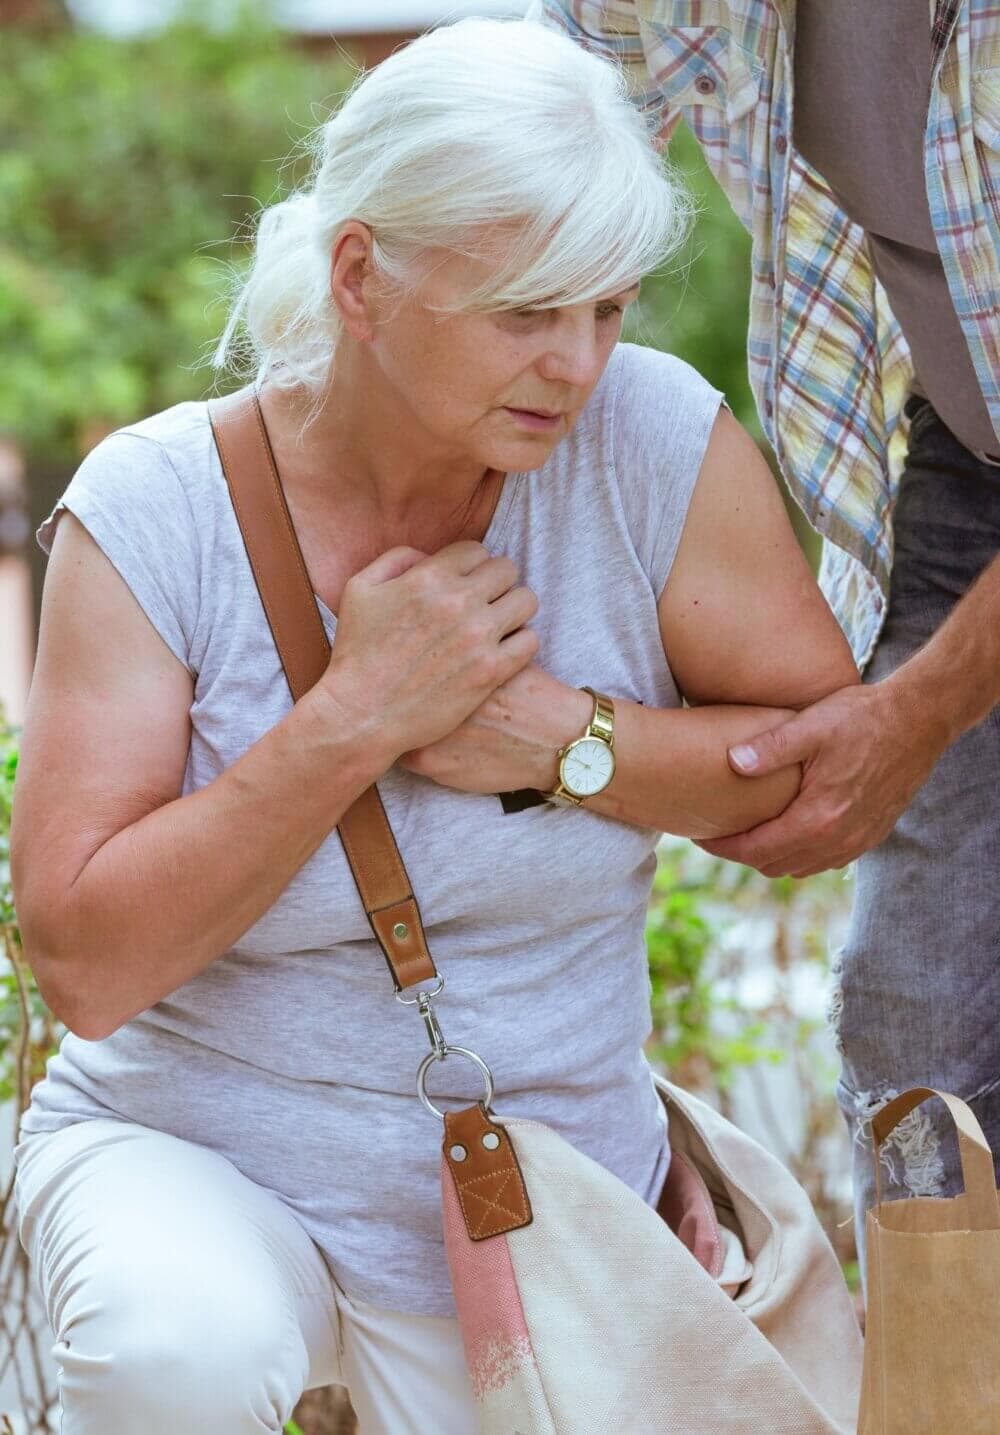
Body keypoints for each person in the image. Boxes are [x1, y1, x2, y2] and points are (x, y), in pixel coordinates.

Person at [10, 18, 857, 1433]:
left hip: (542, 1187)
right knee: (174, 1351)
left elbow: (830, 775)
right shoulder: (155, 506)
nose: (578, 363)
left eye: (606, 307)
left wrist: (561, 739)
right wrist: (352, 716)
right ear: (360, 276)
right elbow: (85, 962)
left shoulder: (649, 440)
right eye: (529, 308)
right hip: (196, 1151)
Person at [535, 0, 1000, 1276]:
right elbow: (512, 161)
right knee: (921, 1031)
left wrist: (919, 709)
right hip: (966, 458)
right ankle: (941, 1398)